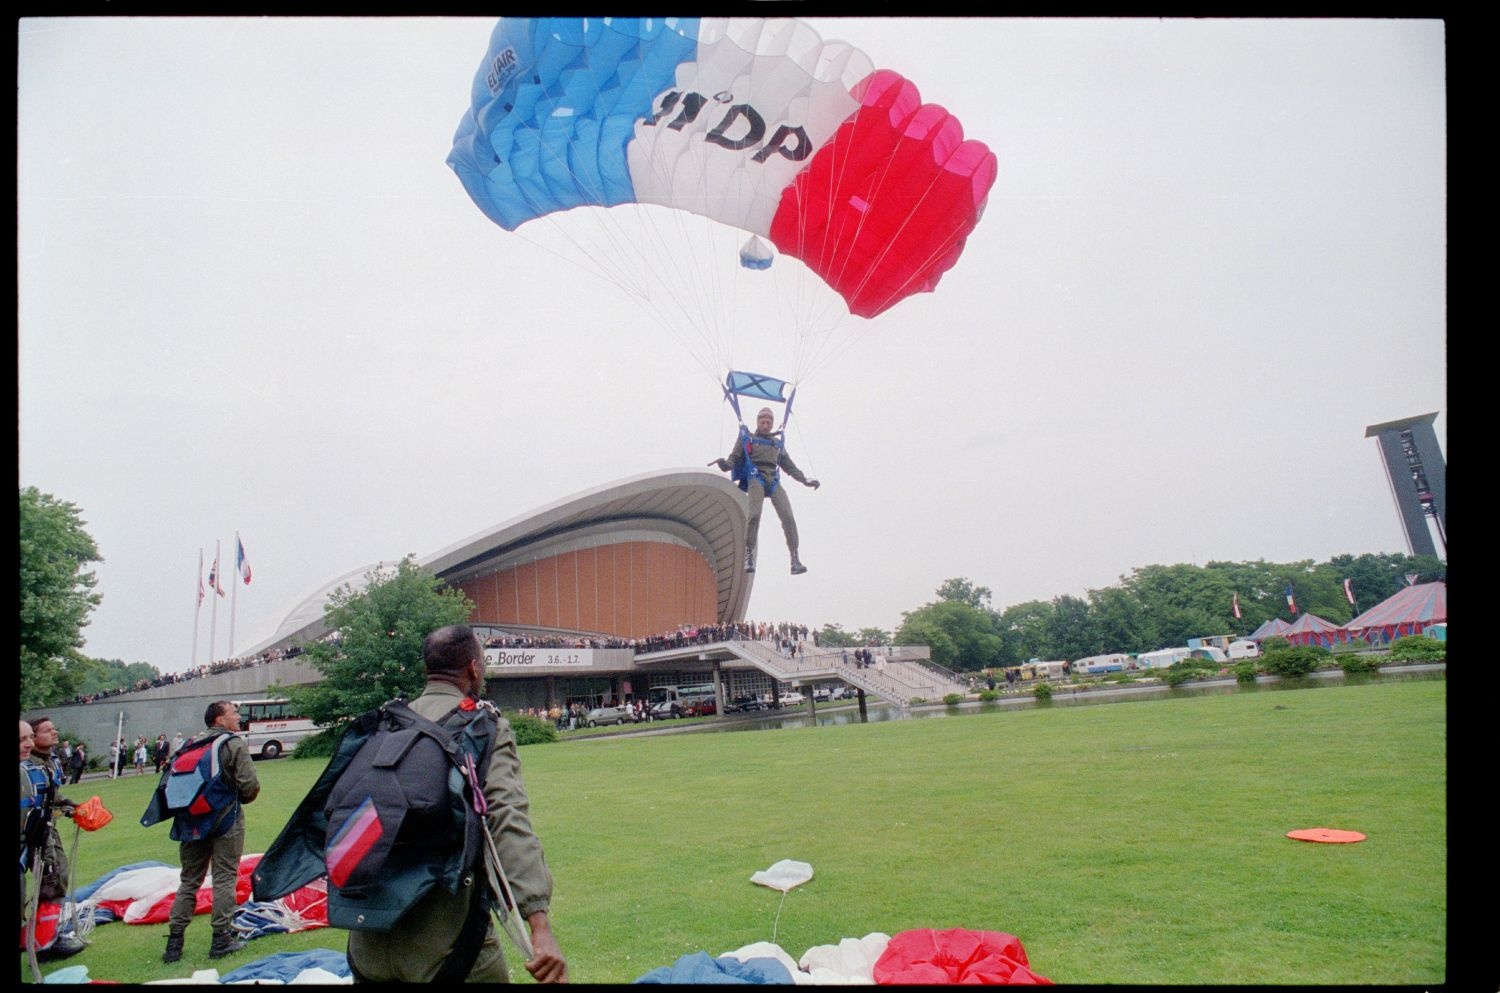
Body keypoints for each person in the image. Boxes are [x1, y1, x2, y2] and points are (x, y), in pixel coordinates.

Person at [342, 625, 567, 983]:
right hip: (447, 945)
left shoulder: (385, 724)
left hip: (367, 941)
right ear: (474, 668)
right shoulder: (483, 727)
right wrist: (539, 925)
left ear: (427, 670)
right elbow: (506, 820)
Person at [160, 701, 260, 963]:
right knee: (225, 878)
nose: (238, 717)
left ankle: (174, 944)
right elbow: (250, 786)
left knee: (189, 881)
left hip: (190, 821)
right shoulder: (233, 744)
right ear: (219, 720)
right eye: (233, 713)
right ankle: (221, 940)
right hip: (226, 819)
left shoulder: (189, 744)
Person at [713, 406, 820, 574]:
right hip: (756, 477)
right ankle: (749, 554)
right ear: (758, 422)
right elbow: (734, 458)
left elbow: (790, 467)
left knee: (788, 517)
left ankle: (794, 558)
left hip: (773, 480)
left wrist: (805, 480)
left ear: (772, 423)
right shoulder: (747, 438)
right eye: (762, 421)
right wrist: (725, 465)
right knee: (754, 515)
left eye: (768, 422)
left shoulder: (777, 444)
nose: (765, 424)